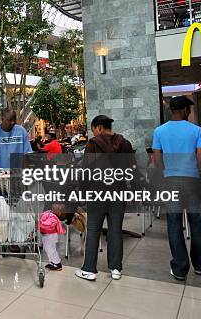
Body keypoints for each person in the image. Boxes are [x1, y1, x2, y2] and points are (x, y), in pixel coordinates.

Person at [152, 96, 201, 281]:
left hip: (171, 180)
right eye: (189, 109)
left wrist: (165, 174)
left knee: (174, 224)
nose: (190, 112)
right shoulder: (196, 131)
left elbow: (156, 157)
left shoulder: (159, 131)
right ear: (185, 110)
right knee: (197, 222)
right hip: (192, 179)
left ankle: (179, 268)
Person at [75, 115, 134, 281]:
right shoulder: (125, 144)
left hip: (97, 192)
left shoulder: (93, 145)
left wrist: (82, 193)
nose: (94, 133)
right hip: (118, 192)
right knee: (115, 230)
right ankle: (116, 269)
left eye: (93, 130)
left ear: (99, 127)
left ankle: (89, 270)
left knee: (93, 230)